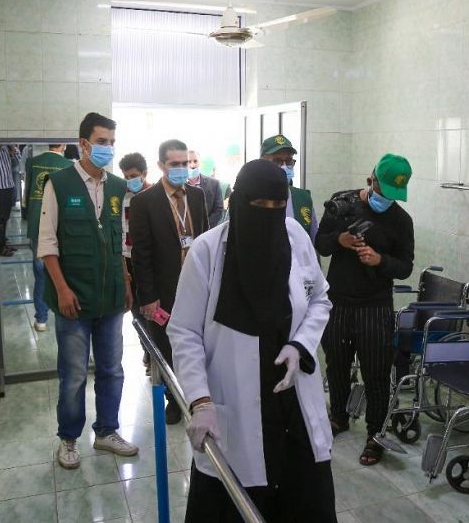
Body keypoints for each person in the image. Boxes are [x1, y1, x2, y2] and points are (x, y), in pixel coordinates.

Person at [169, 160, 336, 522]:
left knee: (303, 501)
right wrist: (200, 400)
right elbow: (183, 331)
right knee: (234, 503)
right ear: (237, 201)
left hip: (292, 399)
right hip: (234, 403)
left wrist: (301, 345)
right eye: (259, 206)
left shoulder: (296, 237)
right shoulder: (207, 252)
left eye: (278, 206)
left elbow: (321, 297)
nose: (269, 215)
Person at [37, 112, 139, 469]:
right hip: (73, 300)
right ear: (83, 144)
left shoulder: (116, 187)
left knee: (112, 369)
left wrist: (126, 282)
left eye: (111, 142)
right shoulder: (59, 184)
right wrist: (62, 290)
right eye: (101, 142)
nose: (107, 148)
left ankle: (107, 431)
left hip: (110, 298)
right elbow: (47, 244)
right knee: (75, 374)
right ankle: (68, 438)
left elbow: (121, 243)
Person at [315, 153, 414, 466]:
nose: (387, 199)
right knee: (337, 364)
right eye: (383, 190)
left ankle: (375, 433)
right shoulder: (340, 204)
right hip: (339, 302)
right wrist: (340, 240)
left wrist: (380, 260)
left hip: (375, 307)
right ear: (371, 178)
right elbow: (320, 244)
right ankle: (339, 417)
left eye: (393, 195)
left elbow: (406, 267)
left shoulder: (401, 221)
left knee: (376, 372)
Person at [129, 139, 209, 424]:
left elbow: (204, 241)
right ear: (161, 165)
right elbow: (142, 253)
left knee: (196, 343)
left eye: (185, 164)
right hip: (163, 289)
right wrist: (148, 298)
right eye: (174, 164)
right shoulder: (144, 202)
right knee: (166, 345)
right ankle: (174, 401)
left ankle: (197, 395)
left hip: (197, 286)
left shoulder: (198, 196)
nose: (181, 169)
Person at [25, 143, 71, 332]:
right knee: (63, 272)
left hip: (37, 223)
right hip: (60, 226)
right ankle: (64, 312)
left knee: (41, 273)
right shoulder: (69, 165)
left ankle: (41, 319)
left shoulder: (32, 162)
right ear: (64, 145)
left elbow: (28, 192)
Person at [119, 152, 152, 374]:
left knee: (153, 310)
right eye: (126, 176)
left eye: (134, 175)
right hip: (128, 260)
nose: (130, 180)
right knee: (136, 311)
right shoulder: (122, 196)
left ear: (144, 173)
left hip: (150, 261)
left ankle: (158, 352)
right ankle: (148, 352)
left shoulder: (155, 195)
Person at [260, 135, 317, 243]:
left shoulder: (303, 198)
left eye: (289, 161)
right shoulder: (247, 198)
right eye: (277, 161)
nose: (284, 166)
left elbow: (313, 243)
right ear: (262, 163)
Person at [186, 150, 224, 229]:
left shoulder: (214, 184)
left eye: (195, 161)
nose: (192, 165)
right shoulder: (178, 186)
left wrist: (205, 226)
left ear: (200, 163)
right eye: (189, 162)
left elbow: (218, 209)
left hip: (207, 231)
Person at [0, 144, 20, 257]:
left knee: (6, 218)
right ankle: (0, 247)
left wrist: (12, 148)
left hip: (9, 186)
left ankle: (4, 243)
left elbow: (19, 160)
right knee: (0, 219)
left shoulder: (6, 148)